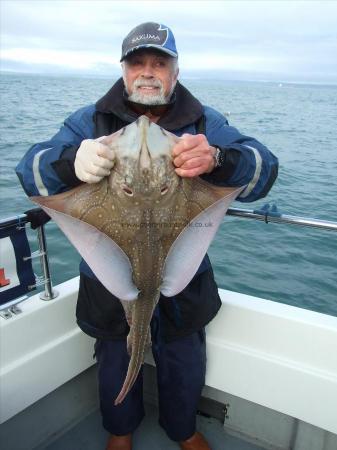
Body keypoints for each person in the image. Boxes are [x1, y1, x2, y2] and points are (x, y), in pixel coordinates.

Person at [16, 22, 278, 450]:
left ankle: (183, 429)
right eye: (138, 63)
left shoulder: (204, 121)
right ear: (123, 71)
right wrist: (69, 163)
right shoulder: (90, 120)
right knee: (116, 354)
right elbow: (31, 168)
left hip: (183, 264)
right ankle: (120, 430)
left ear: (176, 71)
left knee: (183, 357)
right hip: (107, 268)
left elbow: (263, 169)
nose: (148, 71)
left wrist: (216, 158)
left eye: (160, 62)